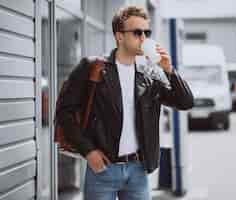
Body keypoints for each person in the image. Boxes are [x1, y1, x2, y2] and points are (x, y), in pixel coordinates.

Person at [59, 5, 194, 200]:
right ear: (119, 36)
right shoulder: (92, 67)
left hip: (138, 172)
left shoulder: (149, 76)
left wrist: (169, 70)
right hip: (102, 170)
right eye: (137, 32)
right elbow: (65, 112)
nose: (143, 38)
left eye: (147, 33)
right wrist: (89, 152)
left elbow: (185, 102)